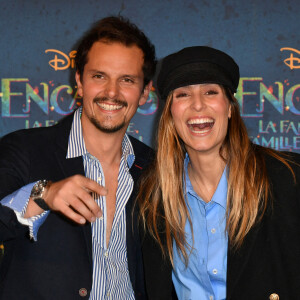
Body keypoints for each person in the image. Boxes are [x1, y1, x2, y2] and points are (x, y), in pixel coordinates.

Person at [0, 16, 156, 300]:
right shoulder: (22, 149)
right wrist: (42, 195)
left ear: (145, 92)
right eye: (99, 76)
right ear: (80, 83)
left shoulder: (156, 168)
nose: (111, 92)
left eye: (127, 80)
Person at [139, 46, 300, 300]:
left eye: (210, 92)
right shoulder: (151, 196)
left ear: (229, 107)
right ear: (170, 113)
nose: (198, 105)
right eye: (182, 95)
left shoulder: (288, 179)